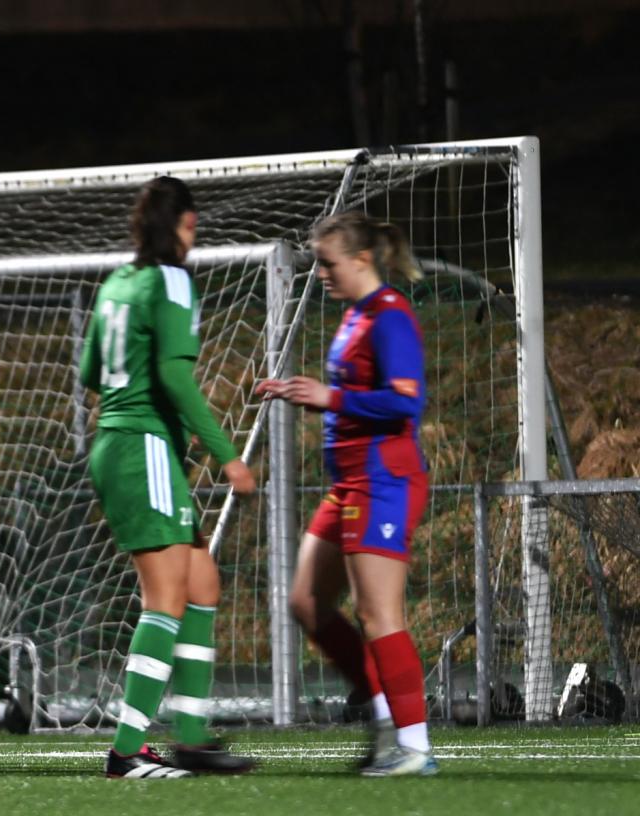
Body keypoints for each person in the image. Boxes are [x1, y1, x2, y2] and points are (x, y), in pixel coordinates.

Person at [78, 177, 257, 780]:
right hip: (143, 448)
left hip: (122, 443)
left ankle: (193, 738)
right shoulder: (172, 280)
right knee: (167, 598)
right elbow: (177, 378)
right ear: (182, 225)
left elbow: (91, 372)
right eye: (191, 227)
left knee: (202, 584)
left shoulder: (117, 283)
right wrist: (227, 456)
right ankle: (126, 751)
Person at [256, 211, 434, 777]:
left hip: (384, 480)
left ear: (361, 259)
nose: (321, 273)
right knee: (307, 602)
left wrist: (330, 398)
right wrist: (299, 392)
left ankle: (414, 747)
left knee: (379, 613)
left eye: (327, 263)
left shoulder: (390, 315)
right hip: (350, 485)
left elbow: (406, 400)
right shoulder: (356, 314)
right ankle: (381, 710)